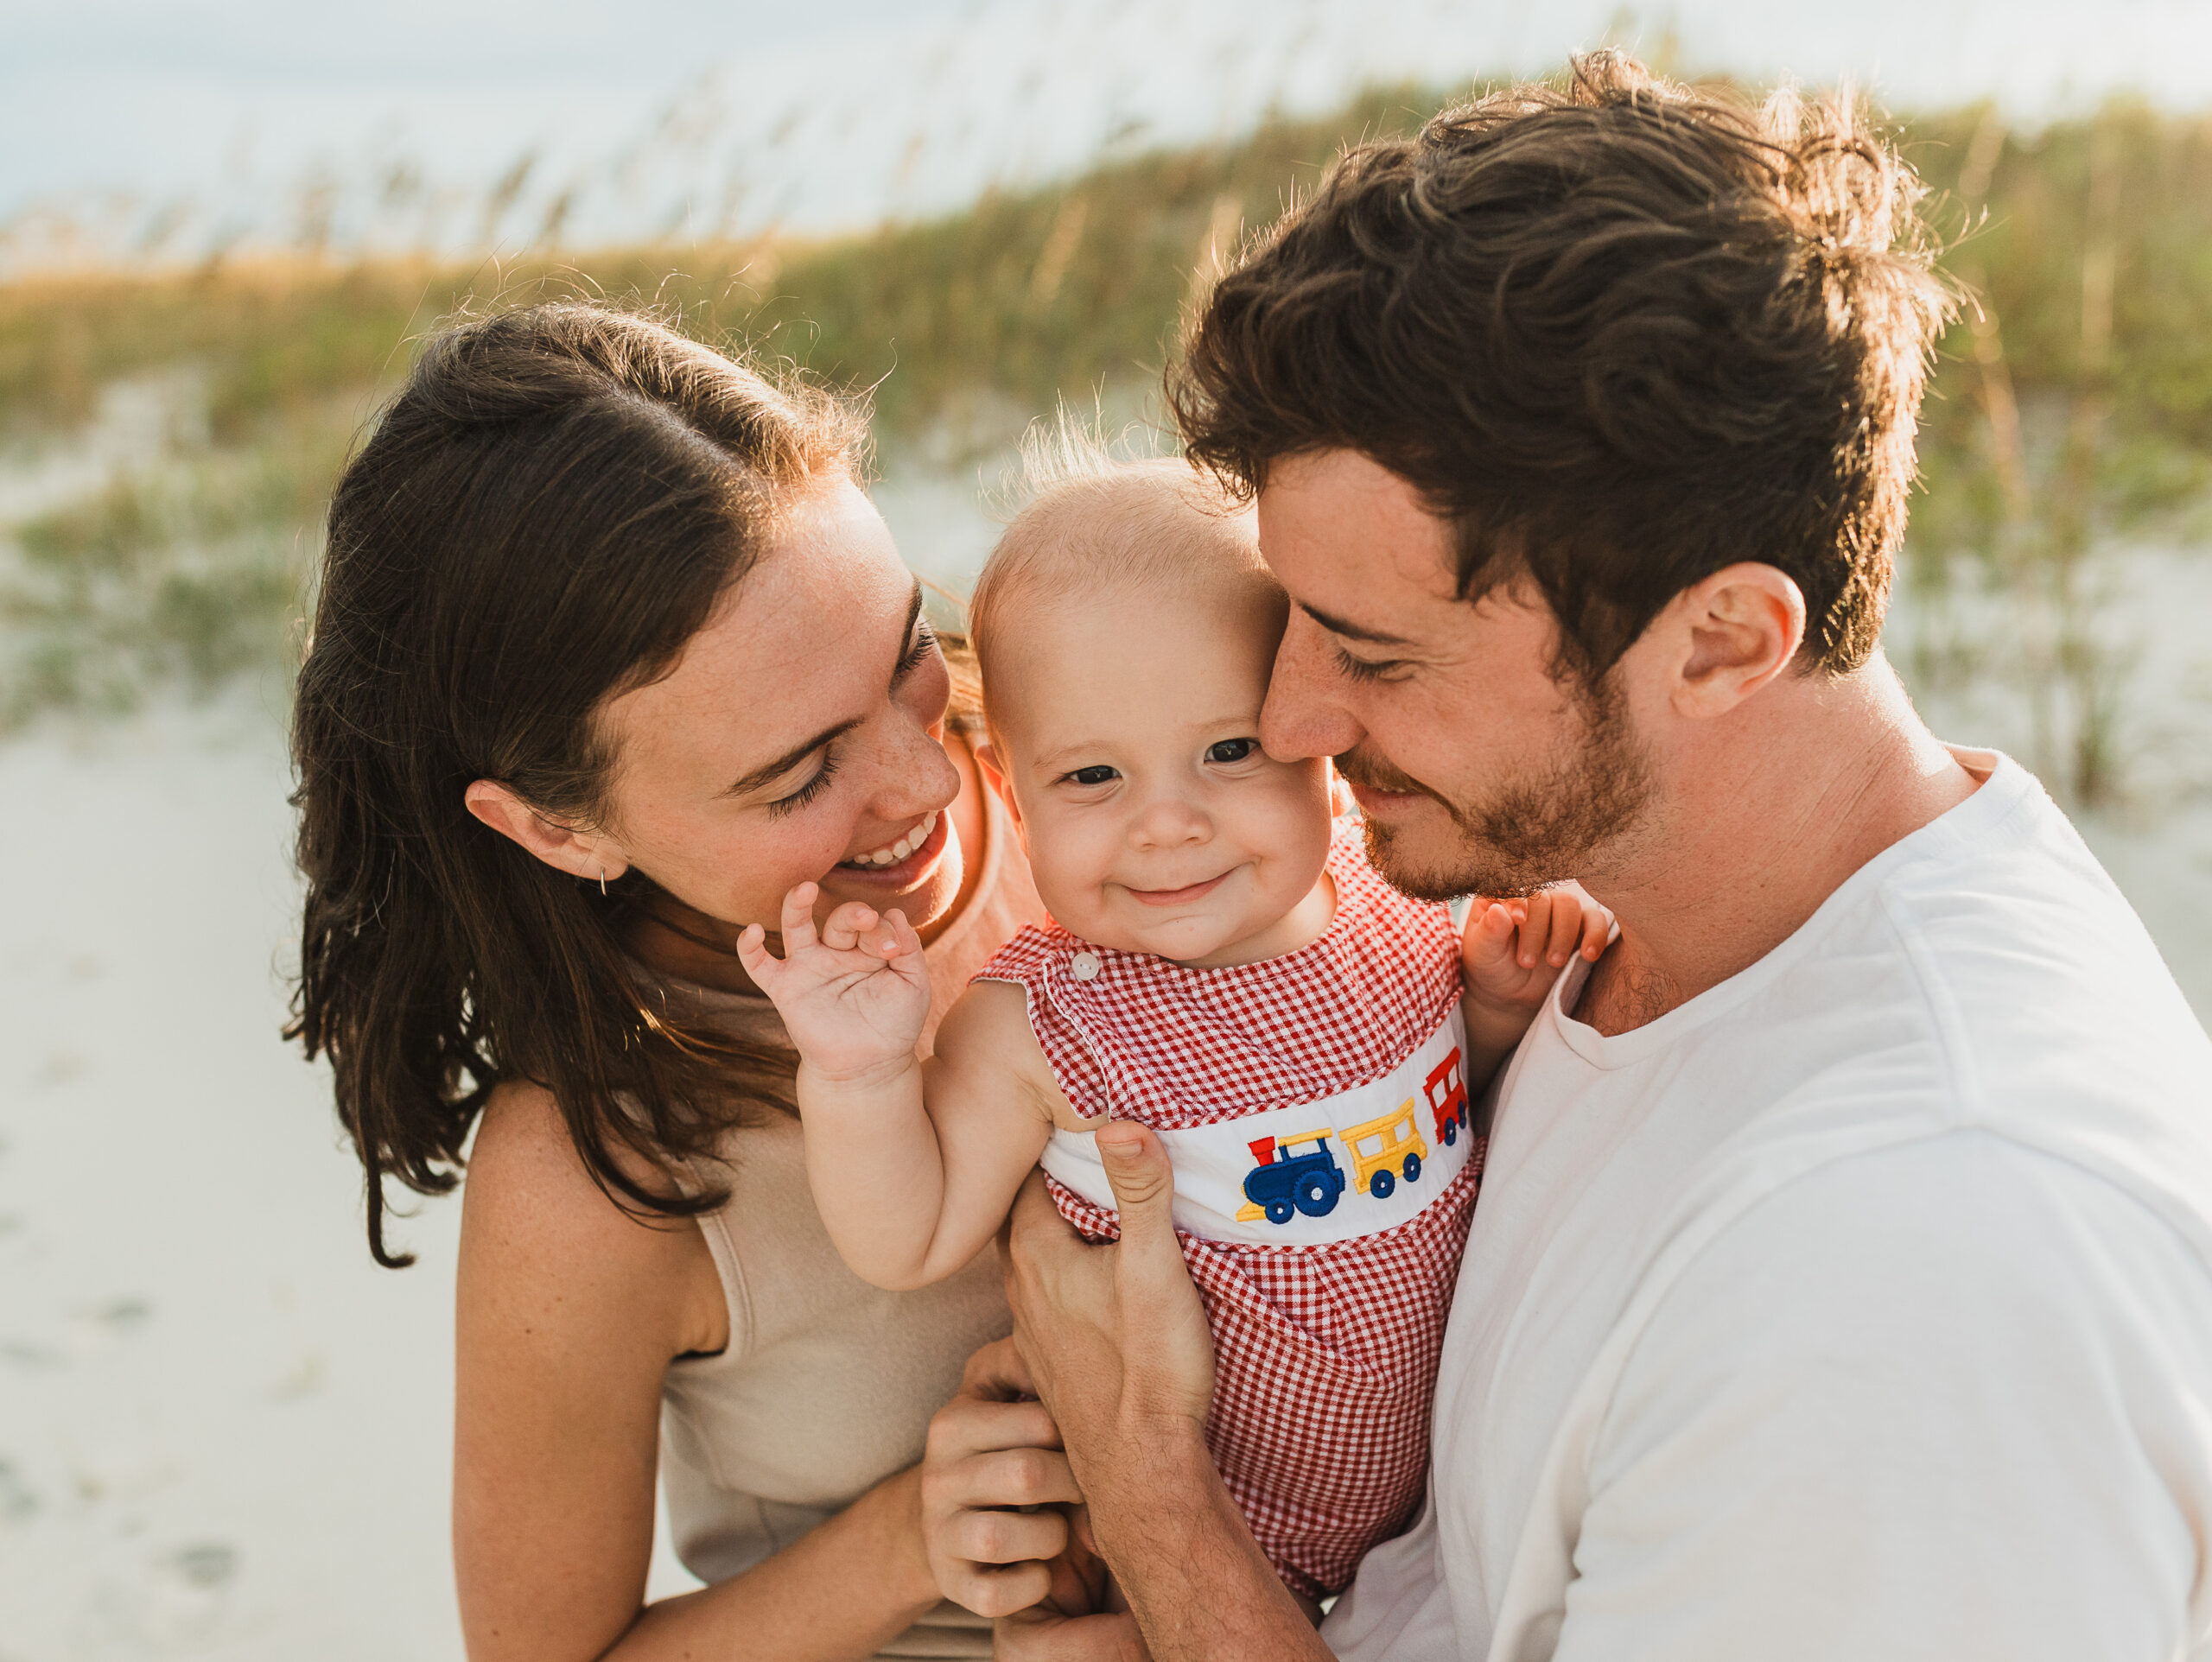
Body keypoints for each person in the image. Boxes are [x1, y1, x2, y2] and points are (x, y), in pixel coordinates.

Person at [926, 54, 2212, 1661]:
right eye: (1293, 625)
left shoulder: (1916, 1266)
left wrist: (1155, 1500)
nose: (1298, 721)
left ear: (1722, 641)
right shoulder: (1630, 910)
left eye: (1375, 656)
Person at [286, 302, 1050, 1661]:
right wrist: (904, 1543)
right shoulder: (601, 1175)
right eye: (799, 774)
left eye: (906, 650)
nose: (931, 777)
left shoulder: (1091, 759)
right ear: (558, 828)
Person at [739, 455, 1609, 1604]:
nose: (1169, 824)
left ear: (1316, 735)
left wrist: (1491, 1010)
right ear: (1010, 788)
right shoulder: (1044, 1022)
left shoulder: (1395, 898)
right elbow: (910, 1235)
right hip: (1189, 1554)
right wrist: (860, 1073)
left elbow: (1420, 1124)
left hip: (1448, 1513)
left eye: (1230, 751)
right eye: (1094, 776)